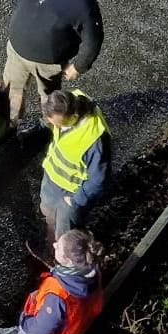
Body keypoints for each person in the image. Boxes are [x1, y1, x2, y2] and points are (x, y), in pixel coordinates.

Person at [0, 230, 105, 334]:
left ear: (68, 261)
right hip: (77, 327)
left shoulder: (58, 297)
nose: (54, 244)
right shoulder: (91, 270)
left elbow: (41, 331)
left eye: (58, 247)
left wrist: (25, 321)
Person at [2, 0, 104, 122]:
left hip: (48, 65)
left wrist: (78, 67)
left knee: (50, 100)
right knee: (12, 91)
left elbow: (94, 39)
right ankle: (10, 123)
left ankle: (48, 126)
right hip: (16, 52)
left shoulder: (84, 2)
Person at [39, 90, 110, 241]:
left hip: (70, 194)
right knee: (48, 212)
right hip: (52, 180)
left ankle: (62, 258)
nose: (57, 128)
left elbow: (98, 181)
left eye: (60, 124)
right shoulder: (68, 101)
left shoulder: (95, 139)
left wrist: (76, 200)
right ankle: (50, 240)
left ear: (74, 117)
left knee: (65, 235)